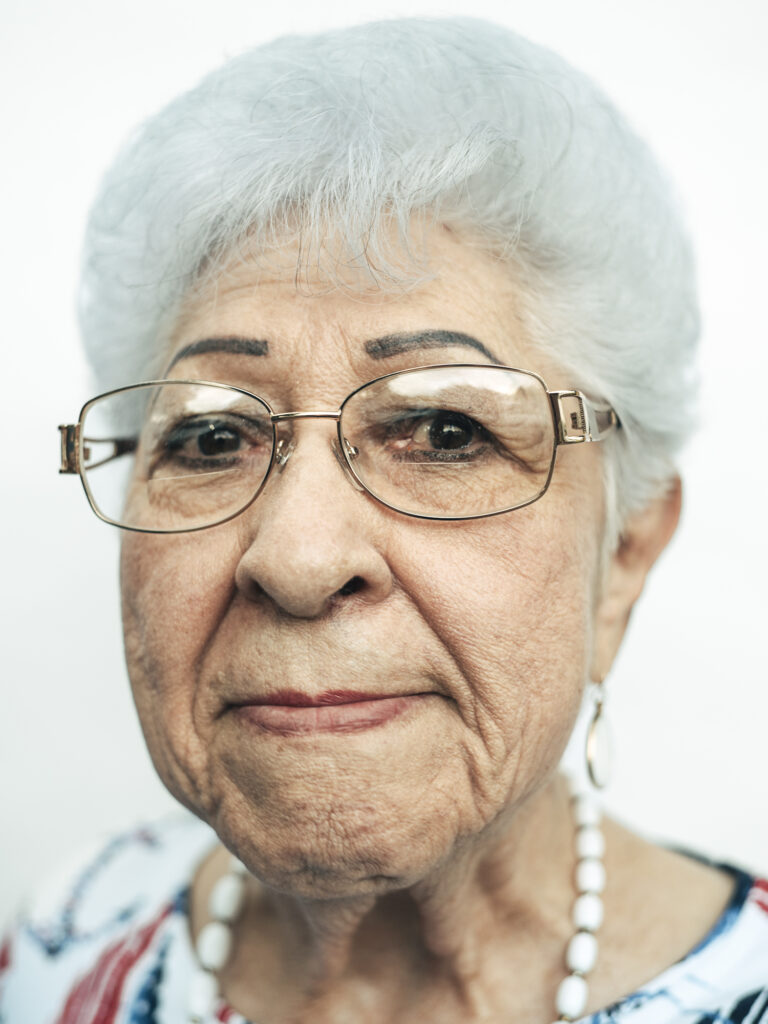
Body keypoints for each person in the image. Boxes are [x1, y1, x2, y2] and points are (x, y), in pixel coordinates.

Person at [1, 16, 766, 1024]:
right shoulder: (61, 945)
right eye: (212, 438)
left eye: (446, 431)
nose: (300, 556)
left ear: (623, 551)